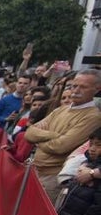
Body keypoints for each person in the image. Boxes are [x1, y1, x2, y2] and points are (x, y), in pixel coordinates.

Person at [25, 69, 101, 202]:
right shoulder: (61, 109)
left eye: (83, 87)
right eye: (74, 86)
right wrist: (55, 135)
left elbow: (61, 146)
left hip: (53, 179)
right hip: (35, 171)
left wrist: (39, 141)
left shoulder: (93, 116)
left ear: (97, 89)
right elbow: (30, 133)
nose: (76, 90)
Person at [57, 129, 101, 215]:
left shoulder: (94, 173)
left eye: (98, 145)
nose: (93, 149)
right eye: (92, 144)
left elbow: (96, 209)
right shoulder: (87, 164)